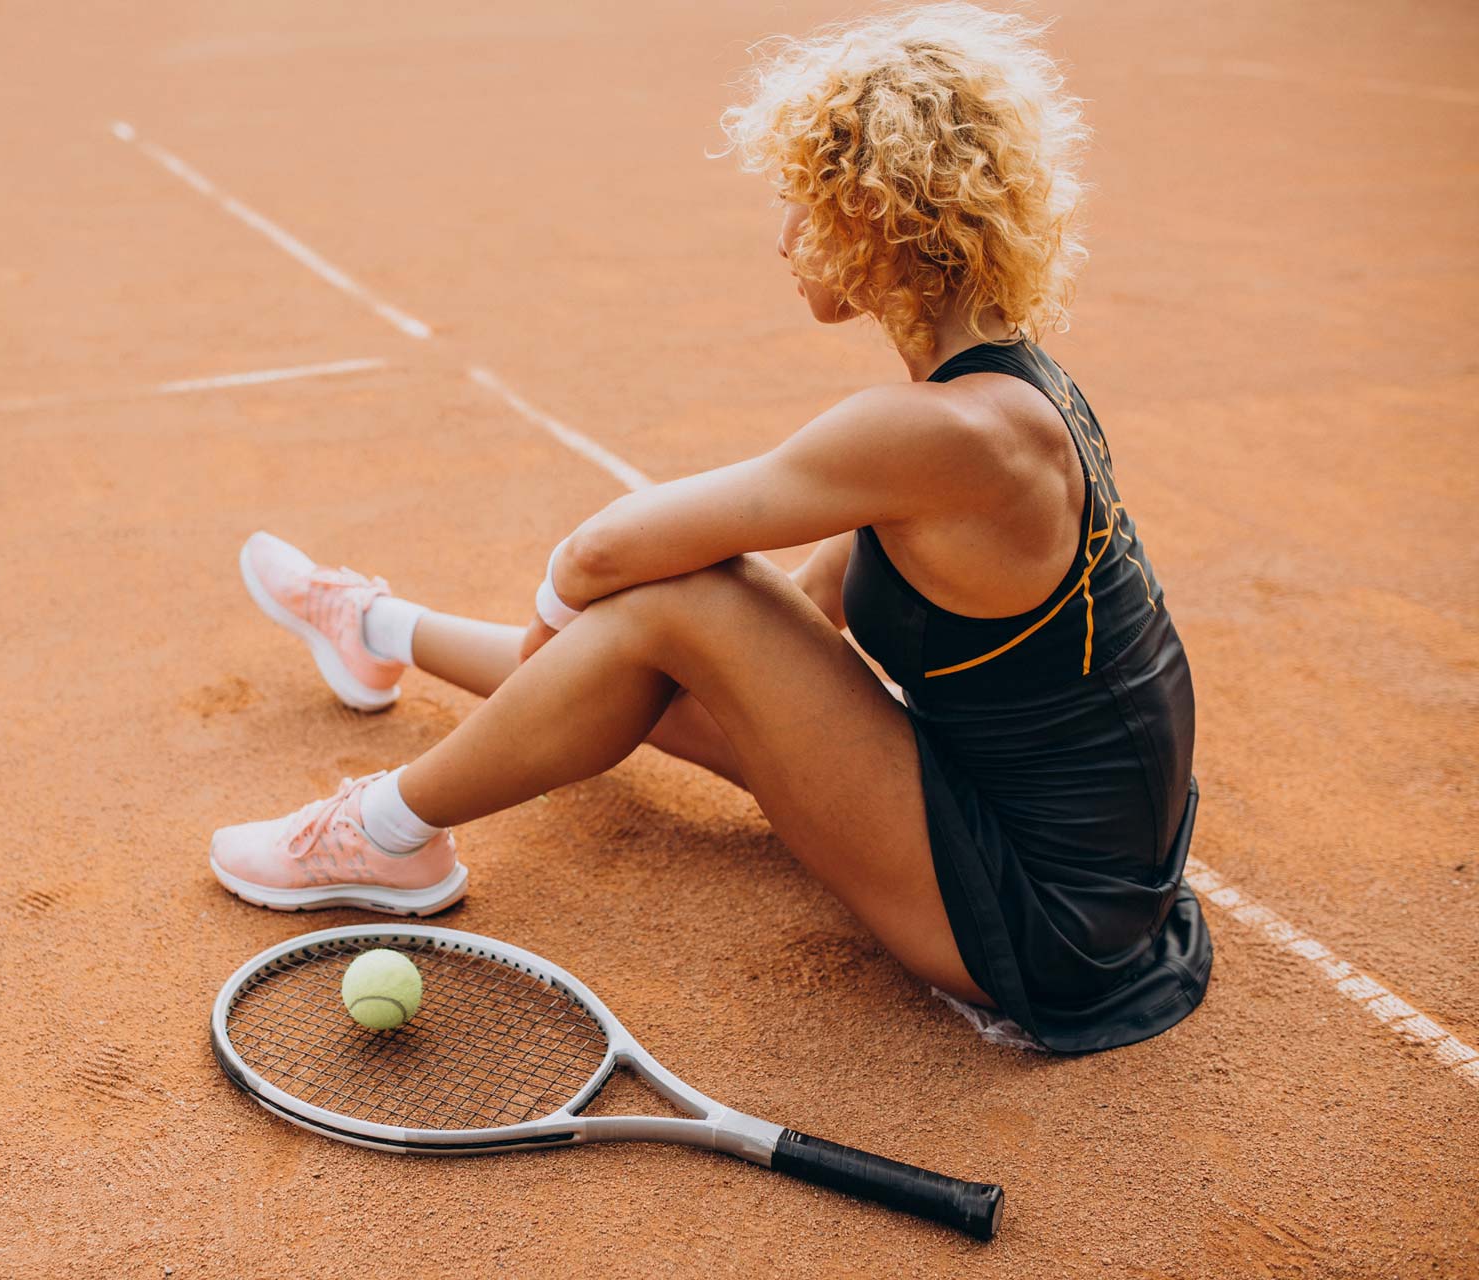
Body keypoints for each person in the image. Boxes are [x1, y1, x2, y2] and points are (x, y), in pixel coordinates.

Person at [208, 3, 1210, 1053]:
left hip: (1041, 921)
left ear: (879, 216)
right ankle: (374, 628)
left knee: (682, 593)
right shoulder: (1011, 391)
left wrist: (563, 625)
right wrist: (597, 659)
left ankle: (384, 834)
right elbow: (800, 615)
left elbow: (604, 551)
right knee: (668, 626)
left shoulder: (936, 433)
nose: (783, 236)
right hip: (1052, 849)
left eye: (803, 202)